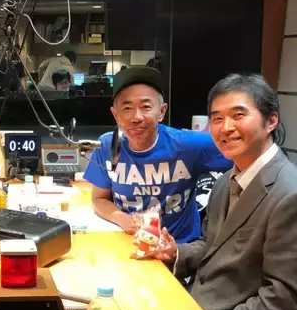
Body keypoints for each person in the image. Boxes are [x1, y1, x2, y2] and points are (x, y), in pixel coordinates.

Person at [146, 73, 297, 310]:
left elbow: (283, 301)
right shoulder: (226, 180)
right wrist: (174, 253)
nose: (225, 127)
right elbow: (211, 246)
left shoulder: (289, 195)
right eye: (217, 118)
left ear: (271, 120)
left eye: (238, 115)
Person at [84, 67, 232, 243]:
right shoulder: (108, 145)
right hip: (129, 244)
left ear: (162, 112)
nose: (136, 117)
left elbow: (247, 158)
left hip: (181, 249)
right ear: (115, 115)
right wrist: (124, 219)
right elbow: (99, 199)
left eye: (146, 107)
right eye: (127, 108)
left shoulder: (189, 145)